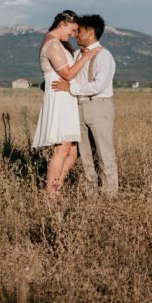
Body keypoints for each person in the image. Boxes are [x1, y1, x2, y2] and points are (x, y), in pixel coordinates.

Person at [31, 10, 101, 198]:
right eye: (71, 30)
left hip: (67, 97)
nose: (73, 35)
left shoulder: (60, 44)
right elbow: (68, 74)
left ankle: (57, 187)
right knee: (61, 149)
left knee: (72, 150)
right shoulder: (52, 44)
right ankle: (50, 195)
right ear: (62, 24)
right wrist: (88, 56)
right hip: (59, 98)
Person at [52, 14, 118, 195]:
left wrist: (70, 88)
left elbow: (99, 85)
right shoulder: (76, 54)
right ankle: (91, 193)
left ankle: (110, 195)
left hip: (99, 106)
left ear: (90, 32)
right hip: (79, 106)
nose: (75, 35)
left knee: (104, 153)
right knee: (86, 154)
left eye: (79, 31)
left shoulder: (104, 55)